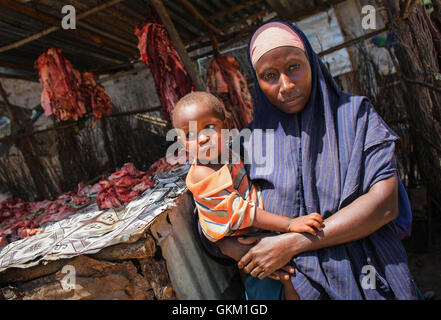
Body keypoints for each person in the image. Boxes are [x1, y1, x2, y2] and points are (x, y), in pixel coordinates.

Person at [197, 20, 421, 300]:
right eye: (269, 75)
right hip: (282, 278)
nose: (286, 85)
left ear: (312, 63)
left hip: (362, 270)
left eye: (294, 67)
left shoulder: (355, 117)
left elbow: (384, 205)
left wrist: (292, 243)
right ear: (258, 82)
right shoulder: (248, 142)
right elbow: (211, 206)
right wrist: (238, 248)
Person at [172, 91, 325, 300]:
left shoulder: (228, 155)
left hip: (250, 232)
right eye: (190, 134)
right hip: (242, 240)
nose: (202, 138)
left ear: (225, 128)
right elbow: (241, 213)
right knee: (273, 279)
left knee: (286, 276)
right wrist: (289, 224)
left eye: (209, 127)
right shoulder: (203, 172)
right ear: (181, 143)